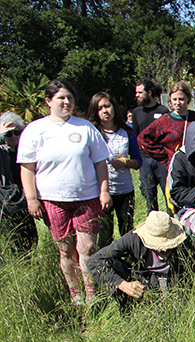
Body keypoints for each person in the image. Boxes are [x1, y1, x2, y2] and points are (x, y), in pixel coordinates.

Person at [17, 79, 111, 305]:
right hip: (53, 201)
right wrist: (31, 198)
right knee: (66, 251)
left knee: (87, 247)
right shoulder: (35, 130)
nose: (66, 101)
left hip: (87, 198)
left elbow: (100, 162)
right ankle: (75, 294)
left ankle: (91, 294)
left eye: (69, 97)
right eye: (61, 98)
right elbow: (27, 167)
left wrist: (104, 191)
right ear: (49, 102)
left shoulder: (85, 127)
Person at [87, 210, 191, 311]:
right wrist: (122, 284)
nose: (163, 251)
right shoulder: (134, 238)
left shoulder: (185, 243)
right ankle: (129, 309)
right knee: (113, 263)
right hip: (144, 284)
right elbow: (94, 261)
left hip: (175, 283)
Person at [139, 81, 195, 211]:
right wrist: (164, 155)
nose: (178, 102)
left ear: (188, 98)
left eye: (181, 99)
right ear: (170, 100)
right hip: (174, 171)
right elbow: (143, 138)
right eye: (174, 99)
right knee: (174, 206)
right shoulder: (164, 121)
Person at [87, 92, 142, 248]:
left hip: (125, 190)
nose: (105, 111)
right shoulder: (92, 134)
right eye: (100, 108)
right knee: (105, 234)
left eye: (107, 106)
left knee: (127, 231)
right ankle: (106, 266)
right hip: (101, 192)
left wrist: (125, 162)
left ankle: (129, 263)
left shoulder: (127, 133)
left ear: (114, 107)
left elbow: (138, 162)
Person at [0, 112, 37, 254]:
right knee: (11, 240)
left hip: (25, 201)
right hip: (7, 203)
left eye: (17, 132)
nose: (14, 136)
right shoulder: (2, 152)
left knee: (30, 239)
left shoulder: (26, 152)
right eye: (9, 134)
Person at [131, 79, 169, 213]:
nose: (137, 95)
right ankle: (153, 225)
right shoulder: (136, 112)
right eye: (136, 93)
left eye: (140, 92)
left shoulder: (163, 110)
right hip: (145, 160)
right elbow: (134, 136)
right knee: (149, 196)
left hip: (161, 159)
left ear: (149, 92)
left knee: (168, 194)